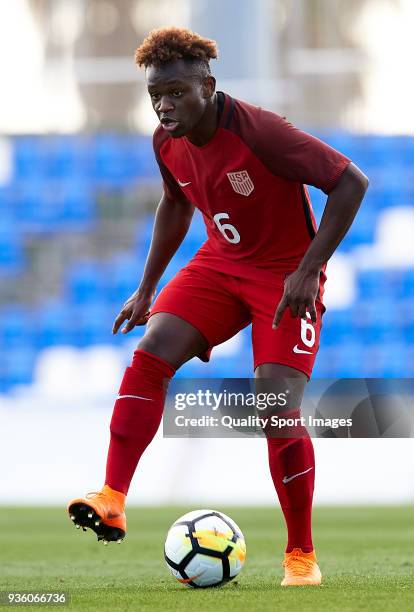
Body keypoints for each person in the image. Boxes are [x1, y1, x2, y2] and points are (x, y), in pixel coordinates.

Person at [67, 27, 368, 586]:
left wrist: (307, 270)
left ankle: (301, 556)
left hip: (283, 276)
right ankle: (111, 497)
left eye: (177, 92)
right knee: (151, 350)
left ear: (208, 85)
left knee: (275, 405)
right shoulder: (165, 139)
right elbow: (176, 204)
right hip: (220, 263)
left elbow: (351, 182)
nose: (164, 104)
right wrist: (147, 287)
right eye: (156, 93)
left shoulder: (262, 132)